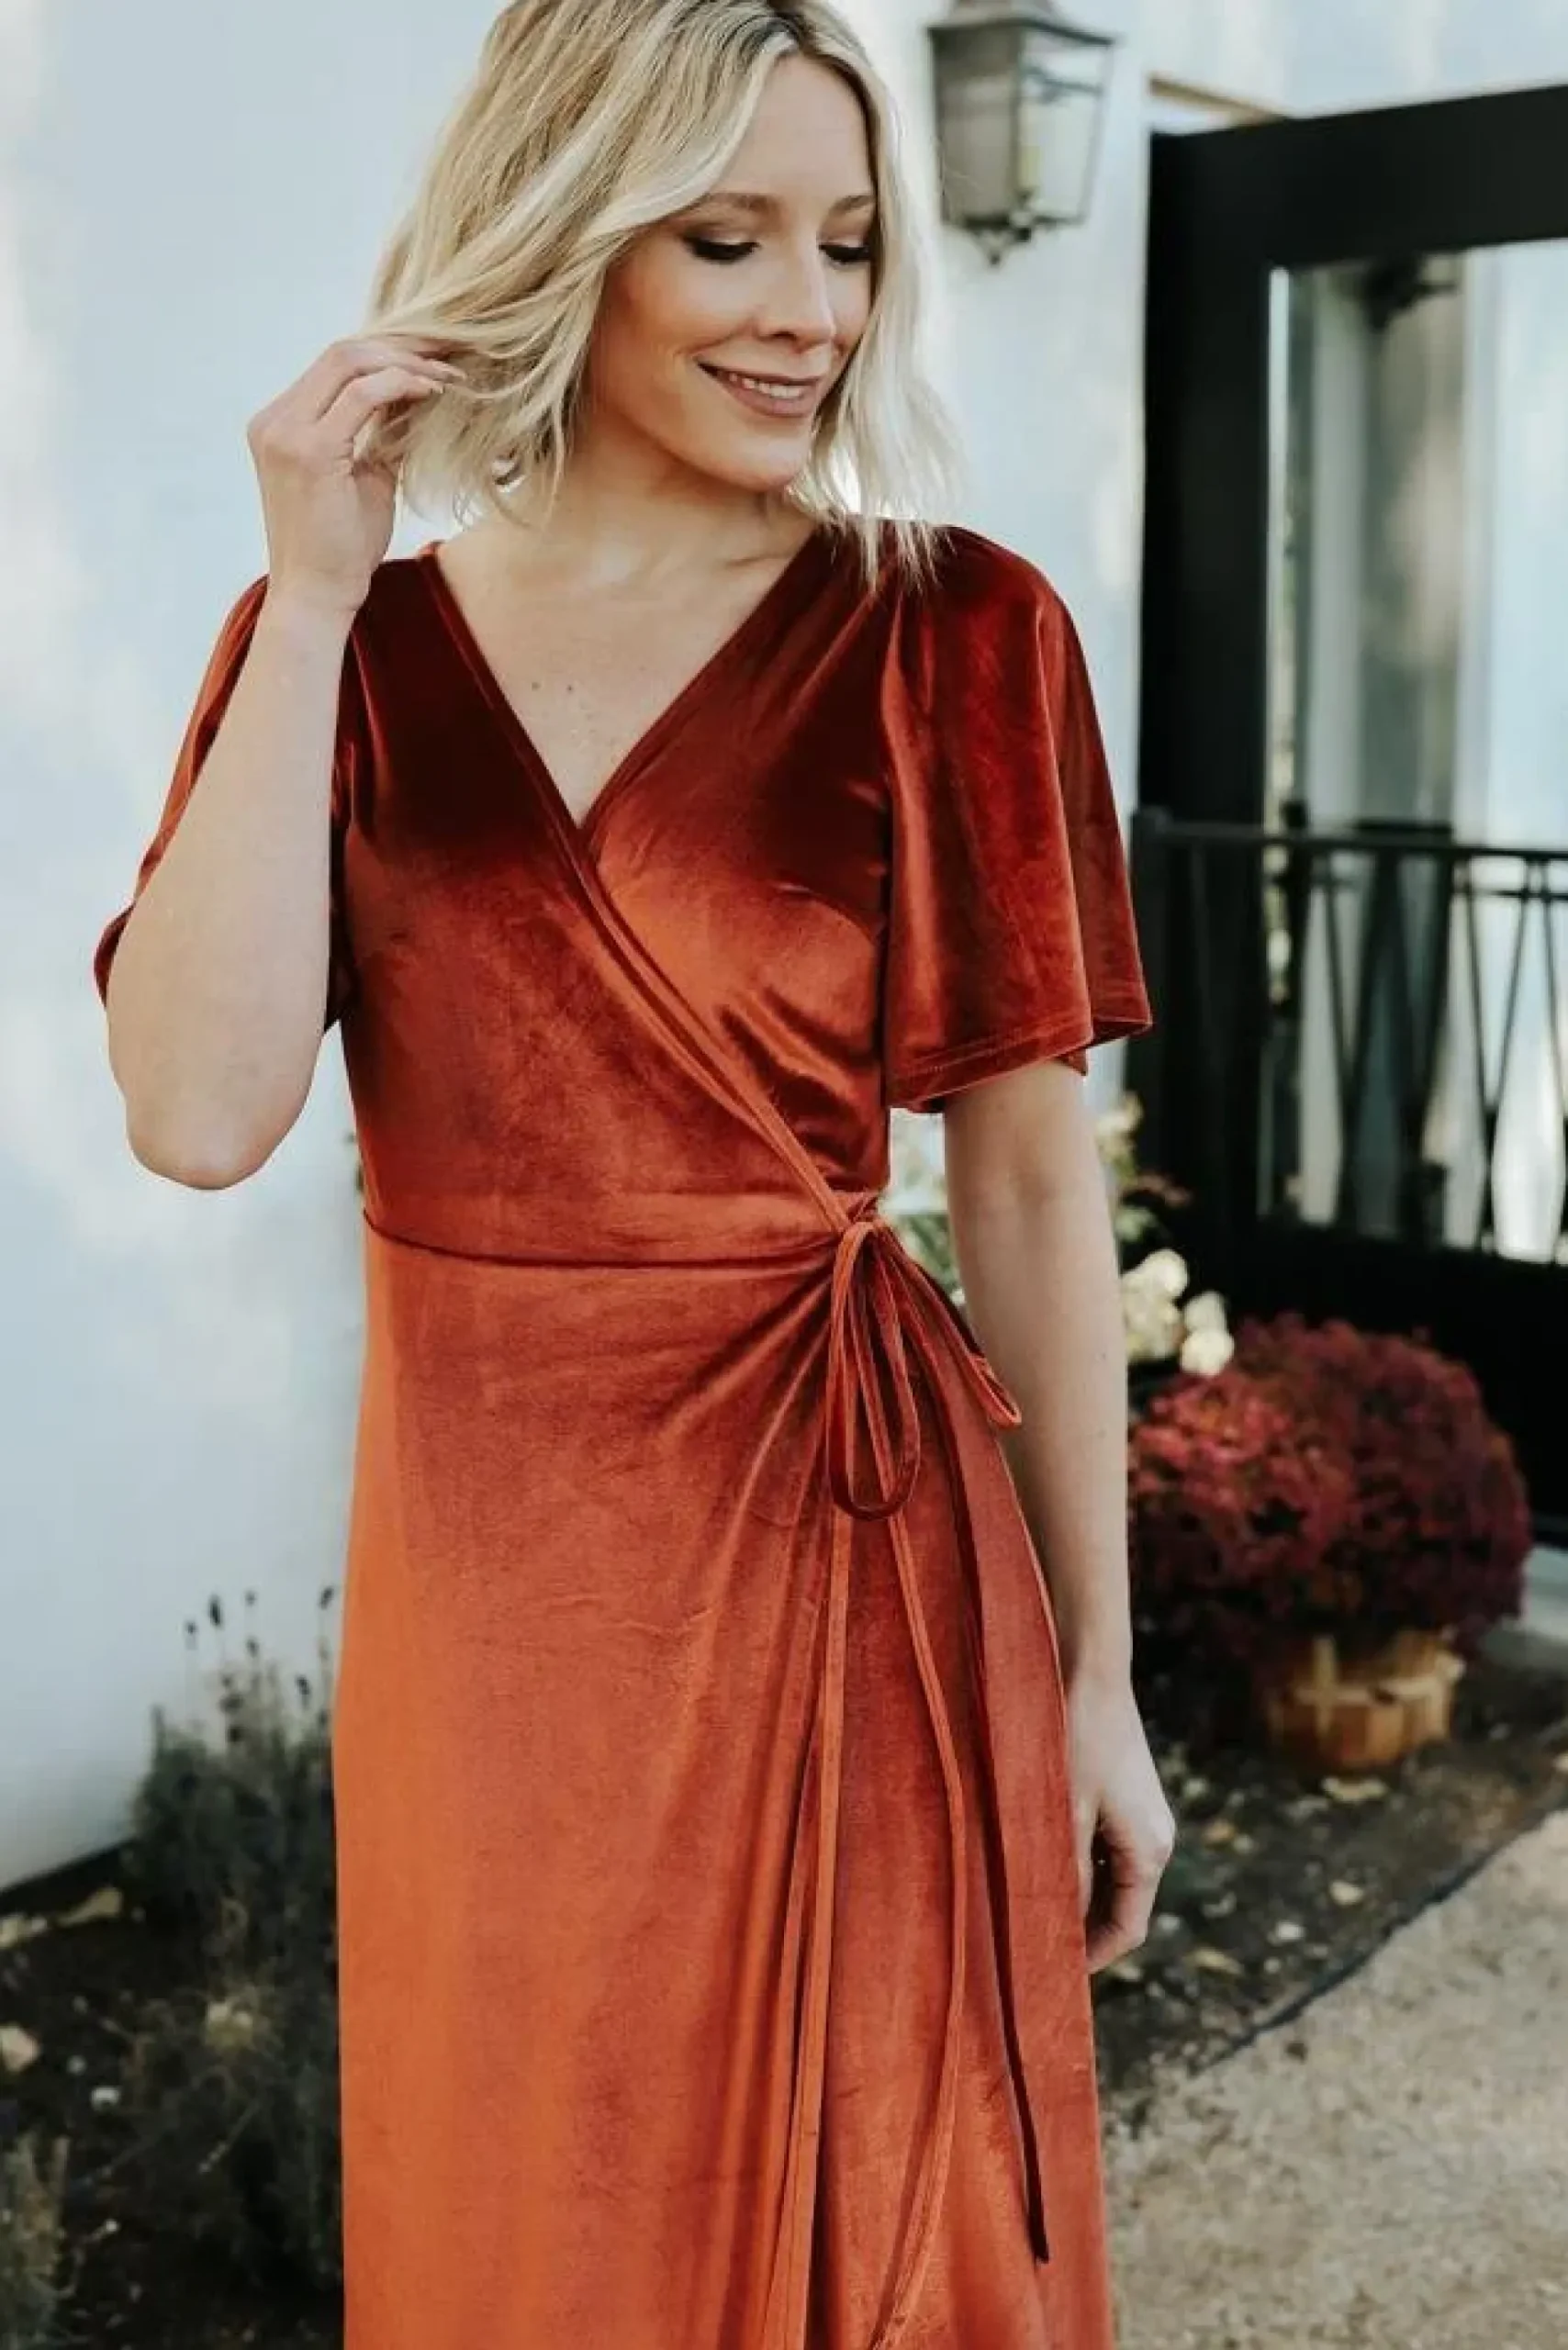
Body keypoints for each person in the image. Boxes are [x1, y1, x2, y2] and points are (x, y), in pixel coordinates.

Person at [92, 3, 1176, 2344]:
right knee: (525, 2222)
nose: (810, 311)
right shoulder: (345, 647)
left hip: (845, 1574)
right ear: (566, 233)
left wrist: (1095, 1678)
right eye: (727, 240)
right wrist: (310, 595)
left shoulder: (954, 630)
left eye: (849, 244)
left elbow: (1021, 1190)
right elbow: (191, 1112)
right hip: (488, 1629)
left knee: (866, 2231)